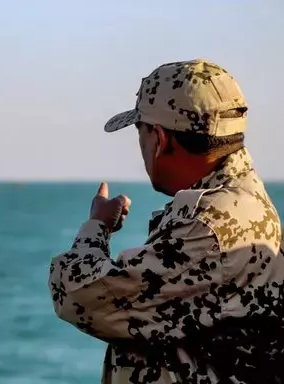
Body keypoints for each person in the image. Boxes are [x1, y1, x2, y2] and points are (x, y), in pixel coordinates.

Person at [48, 59, 284, 383]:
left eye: (140, 132)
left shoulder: (213, 225)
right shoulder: (240, 199)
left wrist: (96, 227)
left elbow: (78, 294)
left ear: (159, 139)